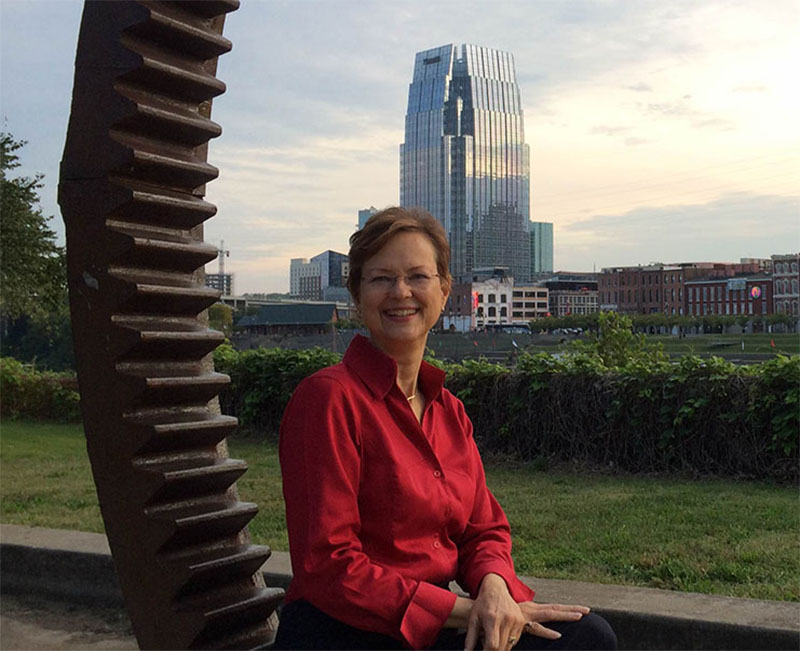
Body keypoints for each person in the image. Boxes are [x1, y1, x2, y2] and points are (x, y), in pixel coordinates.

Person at [274, 207, 616, 650]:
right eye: (381, 279)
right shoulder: (327, 399)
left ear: (444, 289)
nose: (401, 292)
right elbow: (329, 564)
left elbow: (483, 530)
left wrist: (493, 588)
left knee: (585, 638)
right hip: (347, 631)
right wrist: (469, 612)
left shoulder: (448, 411)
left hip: (431, 627)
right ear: (357, 296)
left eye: (418, 276)